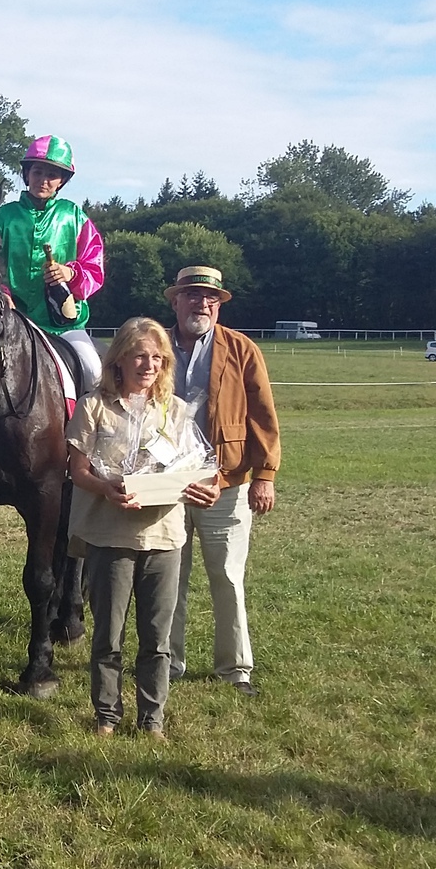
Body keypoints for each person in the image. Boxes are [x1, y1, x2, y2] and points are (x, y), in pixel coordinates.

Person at [67, 317, 219, 740]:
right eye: (139, 356)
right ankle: (107, 716)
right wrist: (105, 487)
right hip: (109, 536)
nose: (148, 365)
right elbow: (77, 469)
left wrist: (204, 488)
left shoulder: (176, 411)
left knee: (157, 637)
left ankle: (152, 718)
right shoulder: (93, 406)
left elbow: (195, 469)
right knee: (107, 635)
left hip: (164, 536)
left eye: (157, 357)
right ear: (118, 360)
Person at [164, 266, 280, 697]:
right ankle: (166, 662)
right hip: (166, 483)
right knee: (168, 577)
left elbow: (263, 414)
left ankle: (235, 669)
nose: (202, 304)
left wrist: (264, 475)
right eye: (192, 296)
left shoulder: (241, 348)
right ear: (175, 301)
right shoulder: (154, 345)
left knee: (228, 578)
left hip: (227, 482)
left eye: (210, 298)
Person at [0, 134, 106, 396]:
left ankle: (83, 434)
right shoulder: (3, 217)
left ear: (62, 181)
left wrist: (70, 273)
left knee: (93, 370)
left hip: (64, 326)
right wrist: (3, 293)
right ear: (26, 173)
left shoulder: (74, 216)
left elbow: (95, 269)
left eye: (52, 175)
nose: (43, 180)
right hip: (9, 318)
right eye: (38, 171)